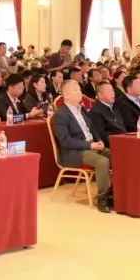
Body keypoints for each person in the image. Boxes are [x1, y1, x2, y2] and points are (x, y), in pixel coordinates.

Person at [52, 80, 112, 213]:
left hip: (91, 146)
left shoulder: (82, 110)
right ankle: (102, 198)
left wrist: (99, 140)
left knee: (116, 155)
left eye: (79, 89)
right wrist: (90, 145)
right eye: (76, 90)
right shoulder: (60, 115)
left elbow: (92, 128)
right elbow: (66, 141)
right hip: (74, 152)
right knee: (102, 161)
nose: (80, 92)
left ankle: (114, 192)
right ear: (66, 95)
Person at [88, 81, 126, 146]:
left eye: (113, 91)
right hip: (111, 144)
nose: (113, 94)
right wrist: (120, 137)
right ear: (100, 95)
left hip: (124, 139)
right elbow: (100, 134)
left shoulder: (115, 107)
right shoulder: (95, 112)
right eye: (109, 91)